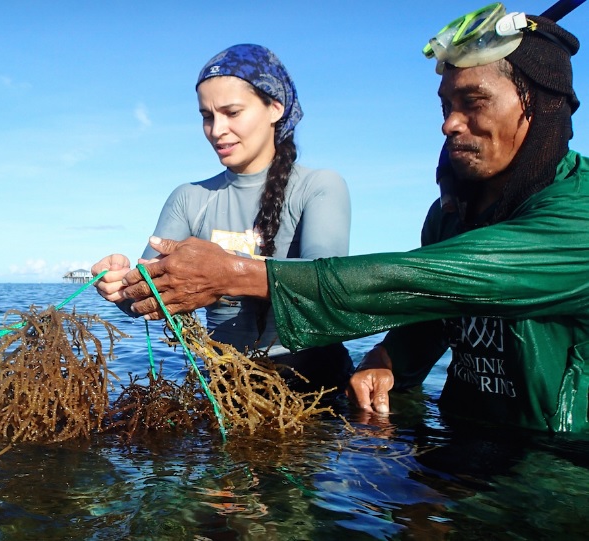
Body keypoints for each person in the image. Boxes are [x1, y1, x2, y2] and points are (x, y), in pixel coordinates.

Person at [119, 5, 589, 434]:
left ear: (542, 103)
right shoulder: (450, 215)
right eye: (446, 106)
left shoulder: (579, 216)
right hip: (462, 436)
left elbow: (425, 281)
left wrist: (234, 272)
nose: (449, 123)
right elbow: (434, 313)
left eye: (474, 102)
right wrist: (389, 357)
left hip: (557, 460)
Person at [91, 44, 354, 393]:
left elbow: (325, 292)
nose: (217, 130)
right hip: (225, 384)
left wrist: (226, 274)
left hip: (312, 381)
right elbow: (147, 296)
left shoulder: (319, 187)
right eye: (207, 116)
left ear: (275, 108)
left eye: (232, 112)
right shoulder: (189, 198)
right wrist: (120, 284)